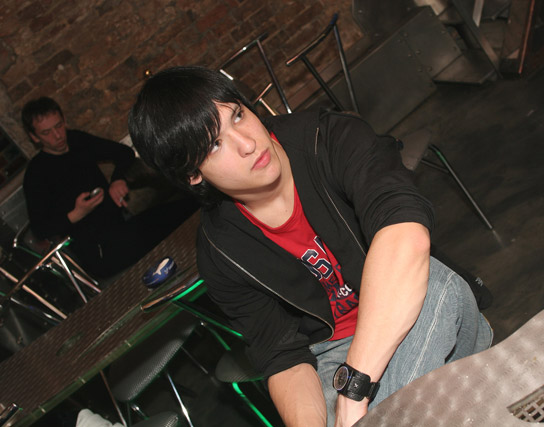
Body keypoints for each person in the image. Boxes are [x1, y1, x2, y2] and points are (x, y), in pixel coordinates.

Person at [128, 66, 492, 427]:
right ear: (192, 175)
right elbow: (282, 358)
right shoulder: (220, 253)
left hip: (418, 306)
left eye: (237, 115)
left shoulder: (329, 138)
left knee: (433, 282)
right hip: (334, 353)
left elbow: (405, 234)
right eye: (216, 144)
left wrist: (354, 391)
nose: (248, 143)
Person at [21, 97, 197, 278]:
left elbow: (123, 153)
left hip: (120, 226)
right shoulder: (37, 172)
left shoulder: (76, 140)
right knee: (166, 227)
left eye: (59, 126)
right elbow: (40, 228)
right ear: (35, 137)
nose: (57, 135)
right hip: (98, 250)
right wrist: (76, 214)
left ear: (64, 120)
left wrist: (117, 179)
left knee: (187, 207)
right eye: (47, 132)